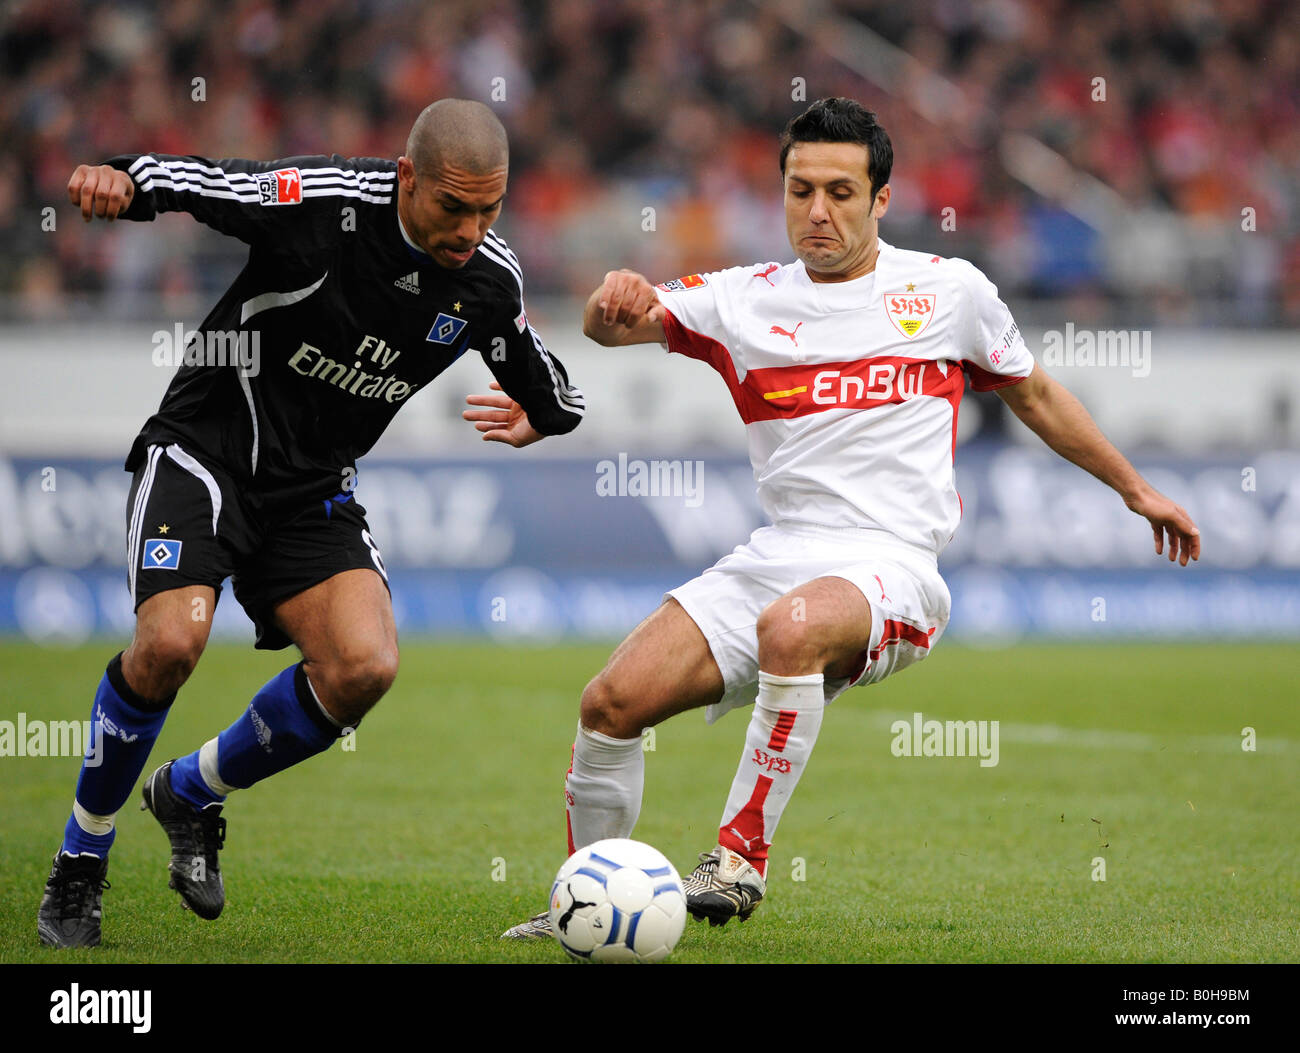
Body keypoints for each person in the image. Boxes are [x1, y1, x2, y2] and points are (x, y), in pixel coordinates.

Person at [503, 97, 1199, 939]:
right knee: (610, 702)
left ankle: (738, 858)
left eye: (840, 191)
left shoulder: (948, 292)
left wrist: (1135, 489)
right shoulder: (742, 299)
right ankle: (582, 906)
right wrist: (605, 302)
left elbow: (1037, 395)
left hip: (895, 566)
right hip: (777, 554)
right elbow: (615, 327)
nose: (817, 212)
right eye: (800, 191)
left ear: (882, 200)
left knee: (790, 629)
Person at [38, 99, 585, 948]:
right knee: (171, 644)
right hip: (205, 454)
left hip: (312, 490)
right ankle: (80, 860)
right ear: (407, 179)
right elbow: (212, 183)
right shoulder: (326, 202)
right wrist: (129, 177)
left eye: (491, 209)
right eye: (454, 206)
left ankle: (190, 791)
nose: (472, 229)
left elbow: (550, 383)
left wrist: (542, 416)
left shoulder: (487, 281)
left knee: (365, 664)